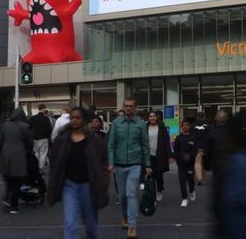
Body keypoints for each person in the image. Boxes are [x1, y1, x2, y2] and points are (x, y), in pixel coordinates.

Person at [48, 107, 109, 239]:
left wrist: (103, 179)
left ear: (84, 120)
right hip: (69, 186)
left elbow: (103, 160)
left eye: (77, 118)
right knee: (70, 223)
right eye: (72, 118)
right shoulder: (62, 139)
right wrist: (55, 176)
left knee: (91, 225)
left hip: (88, 185)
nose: (74, 120)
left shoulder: (94, 140)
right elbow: (54, 159)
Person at [107, 97, 151, 239]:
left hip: (135, 164)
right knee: (122, 196)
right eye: (126, 106)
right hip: (119, 165)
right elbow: (111, 145)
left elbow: (145, 146)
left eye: (131, 106)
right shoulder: (116, 123)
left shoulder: (141, 124)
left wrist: (148, 164)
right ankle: (125, 216)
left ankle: (132, 225)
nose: (128, 108)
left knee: (131, 193)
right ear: (123, 107)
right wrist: (111, 162)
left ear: (135, 107)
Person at [0, 108, 32, 214]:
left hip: (6, 154)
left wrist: (1, 152)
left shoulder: (5, 125)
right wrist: (29, 151)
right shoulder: (24, 126)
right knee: (17, 182)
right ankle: (14, 206)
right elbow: (29, 142)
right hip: (19, 156)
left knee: (8, 179)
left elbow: (0, 141)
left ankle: (6, 197)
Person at [205, 110, 231, 236]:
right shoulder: (233, 133)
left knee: (219, 192)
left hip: (217, 167)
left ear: (216, 119)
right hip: (231, 167)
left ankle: (220, 217)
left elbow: (207, 152)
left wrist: (206, 166)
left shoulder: (211, 133)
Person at [146, 111, 173, 203]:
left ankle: (159, 189)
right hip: (149, 155)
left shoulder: (162, 128)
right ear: (148, 118)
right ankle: (152, 195)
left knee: (159, 174)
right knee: (150, 176)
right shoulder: (145, 128)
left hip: (159, 155)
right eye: (150, 116)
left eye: (154, 116)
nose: (152, 118)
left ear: (156, 118)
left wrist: (169, 155)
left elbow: (166, 142)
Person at [172, 118, 198, 207]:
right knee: (182, 182)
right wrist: (180, 157)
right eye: (183, 125)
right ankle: (184, 199)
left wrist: (190, 156)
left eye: (187, 125)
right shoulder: (178, 138)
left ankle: (192, 190)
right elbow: (175, 150)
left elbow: (195, 150)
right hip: (181, 164)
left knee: (191, 180)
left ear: (189, 126)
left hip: (190, 164)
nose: (185, 126)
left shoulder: (193, 137)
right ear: (181, 127)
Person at [30, 104, 53, 179]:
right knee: (43, 154)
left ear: (38, 108)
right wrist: (48, 137)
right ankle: (40, 169)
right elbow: (49, 129)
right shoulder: (46, 118)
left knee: (36, 153)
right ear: (43, 109)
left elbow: (30, 128)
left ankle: (35, 168)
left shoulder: (33, 118)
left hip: (35, 139)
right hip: (43, 138)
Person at [192, 112, 210, 186]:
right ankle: (204, 179)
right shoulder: (209, 126)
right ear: (204, 117)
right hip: (206, 147)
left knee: (197, 162)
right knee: (204, 164)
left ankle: (199, 178)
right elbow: (210, 137)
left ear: (196, 117)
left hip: (196, 147)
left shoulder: (192, 126)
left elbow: (190, 137)